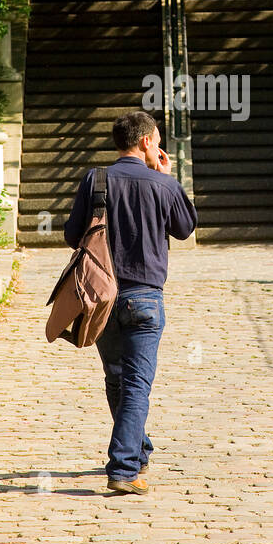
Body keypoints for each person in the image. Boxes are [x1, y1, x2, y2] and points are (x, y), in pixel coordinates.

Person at [64, 110, 197, 495]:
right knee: (136, 383)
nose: (158, 147)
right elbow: (186, 229)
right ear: (145, 142)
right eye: (156, 140)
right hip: (145, 299)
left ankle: (138, 450)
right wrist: (167, 178)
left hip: (101, 295)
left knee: (117, 379)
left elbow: (73, 235)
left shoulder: (96, 179)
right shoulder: (162, 184)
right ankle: (123, 468)